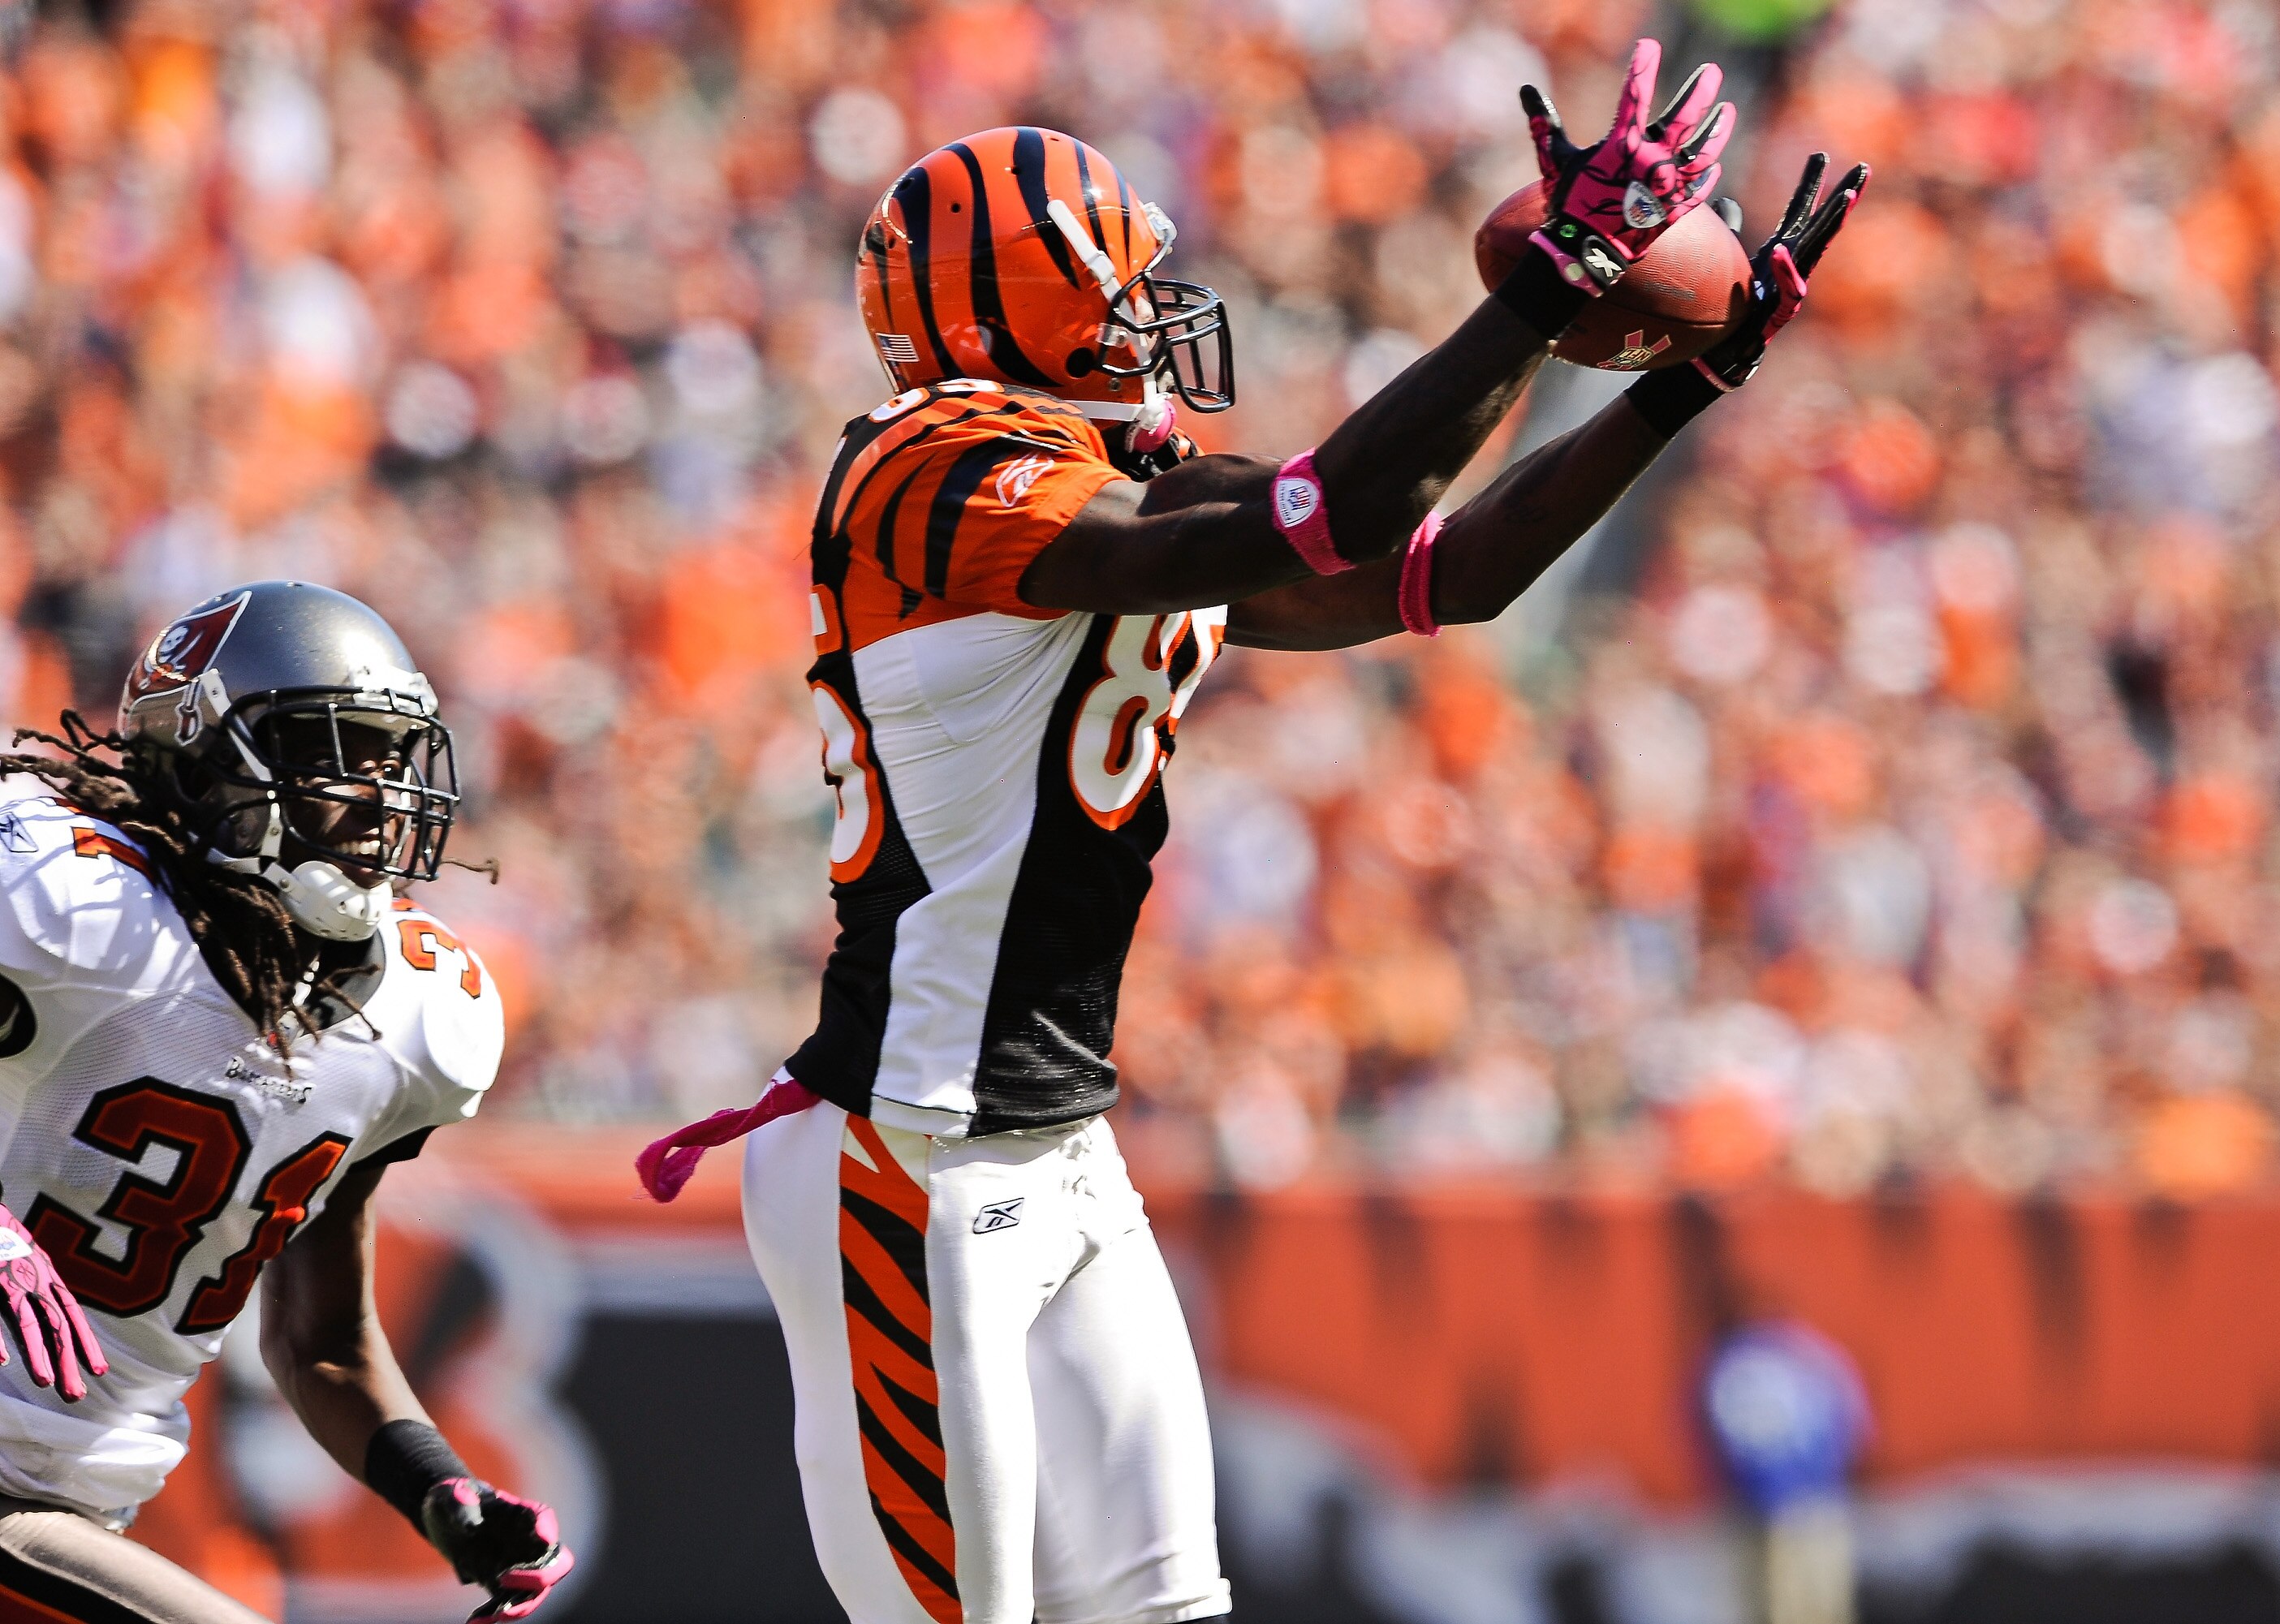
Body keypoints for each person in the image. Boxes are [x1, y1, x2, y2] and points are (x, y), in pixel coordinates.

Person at [636, 42, 1864, 1624]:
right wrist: (1545, 292)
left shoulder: (1108, 476)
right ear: (1013, 305)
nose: (1153, 317)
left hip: (1056, 1142)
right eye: (1116, 285)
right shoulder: (921, 478)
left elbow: (1452, 569)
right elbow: (1316, 515)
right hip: (904, 1153)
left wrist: (1678, 390)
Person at [0, 582, 572, 1623]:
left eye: (394, 763)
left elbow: (320, 1343)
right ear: (203, 757)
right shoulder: (63, 899)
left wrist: (434, 1488)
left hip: (66, 1508)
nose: (381, 800)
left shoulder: (412, 1019)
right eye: (334, 754)